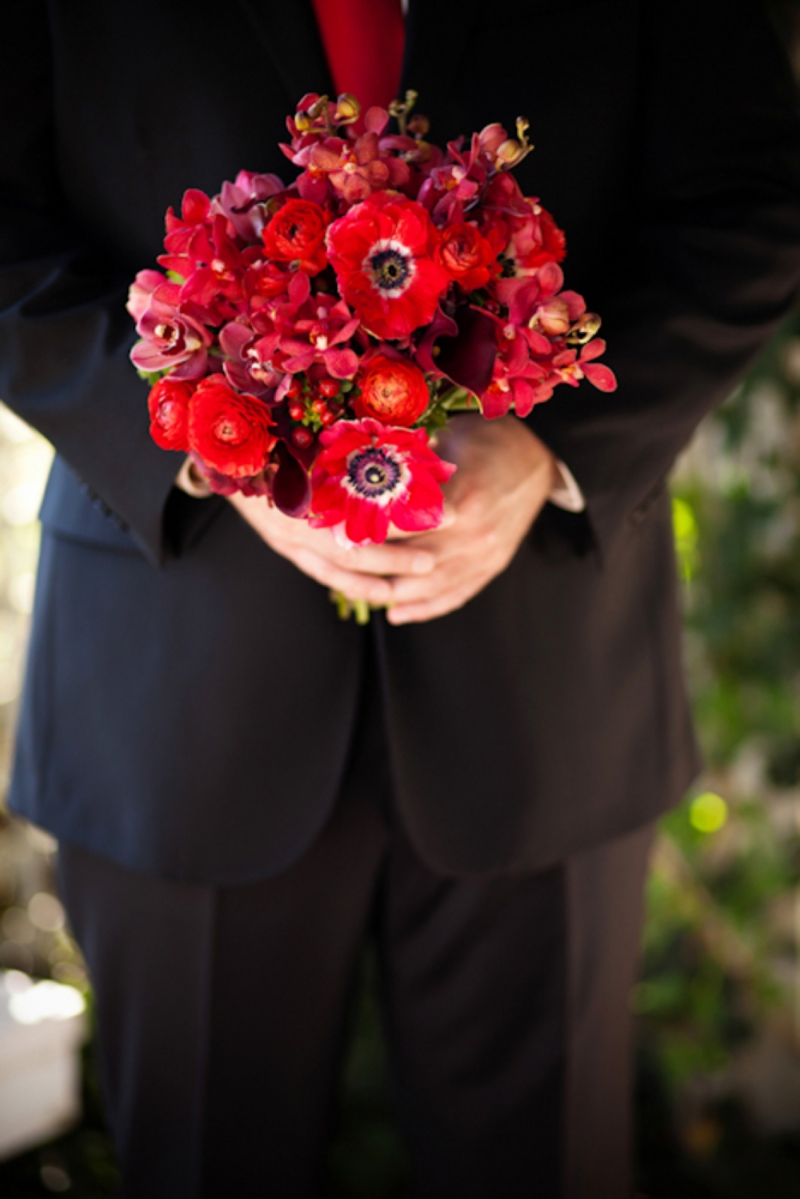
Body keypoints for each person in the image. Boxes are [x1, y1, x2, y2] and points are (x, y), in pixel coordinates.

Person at [2, 1, 799, 1195]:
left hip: (544, 677)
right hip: (176, 678)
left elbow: (749, 195)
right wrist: (195, 439)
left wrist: (553, 447)